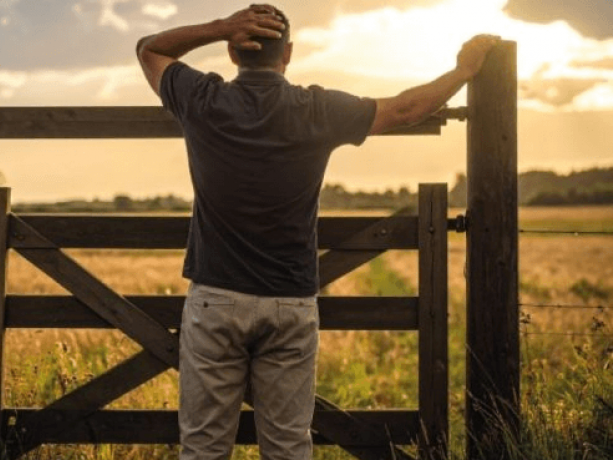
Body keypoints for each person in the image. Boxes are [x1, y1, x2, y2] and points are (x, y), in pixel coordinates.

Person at [136, 4, 498, 459]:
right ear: (288, 54)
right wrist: (464, 70)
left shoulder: (202, 98)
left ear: (232, 52)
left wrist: (220, 27)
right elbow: (409, 108)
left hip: (216, 296)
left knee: (204, 447)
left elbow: (148, 49)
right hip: (290, 298)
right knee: (288, 445)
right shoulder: (317, 108)